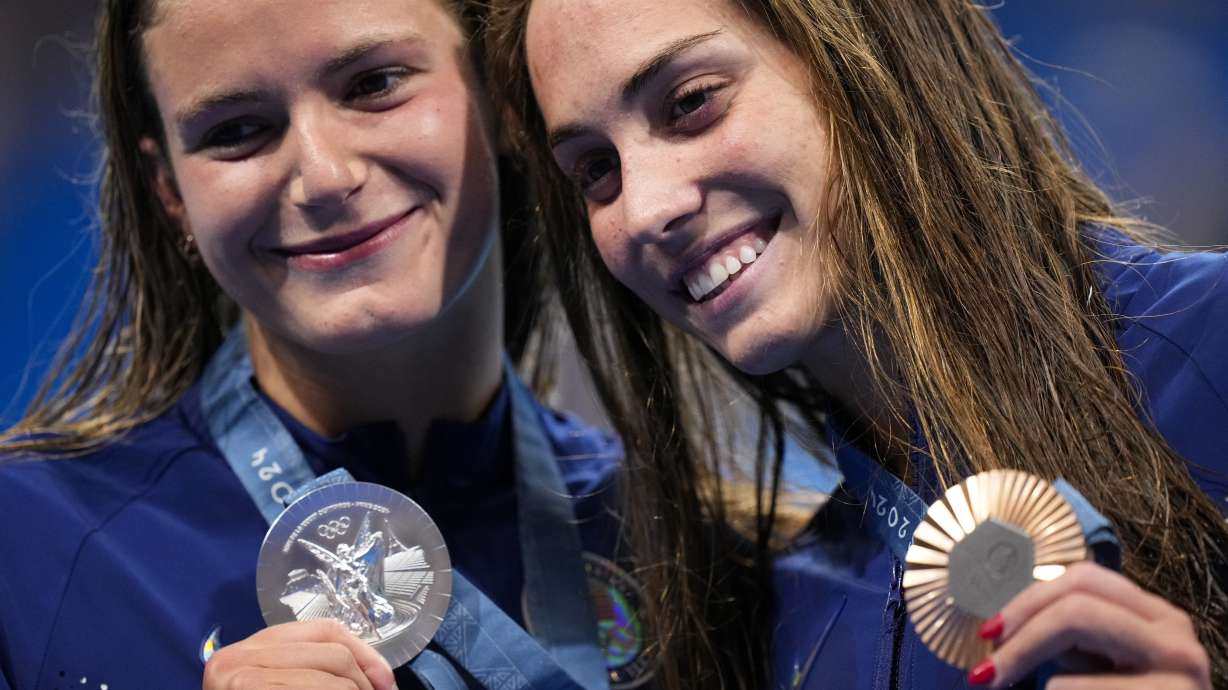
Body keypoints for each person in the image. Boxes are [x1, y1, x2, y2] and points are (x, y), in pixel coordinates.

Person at [486, 0, 1228, 688]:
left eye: (690, 103)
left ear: (861, 49)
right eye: (596, 169)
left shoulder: (1211, 343)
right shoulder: (788, 613)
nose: (646, 208)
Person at [0, 1, 688, 689]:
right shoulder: (27, 549)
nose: (325, 177)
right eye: (237, 129)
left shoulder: (694, 541)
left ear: (502, 95)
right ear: (169, 191)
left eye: (374, 83)